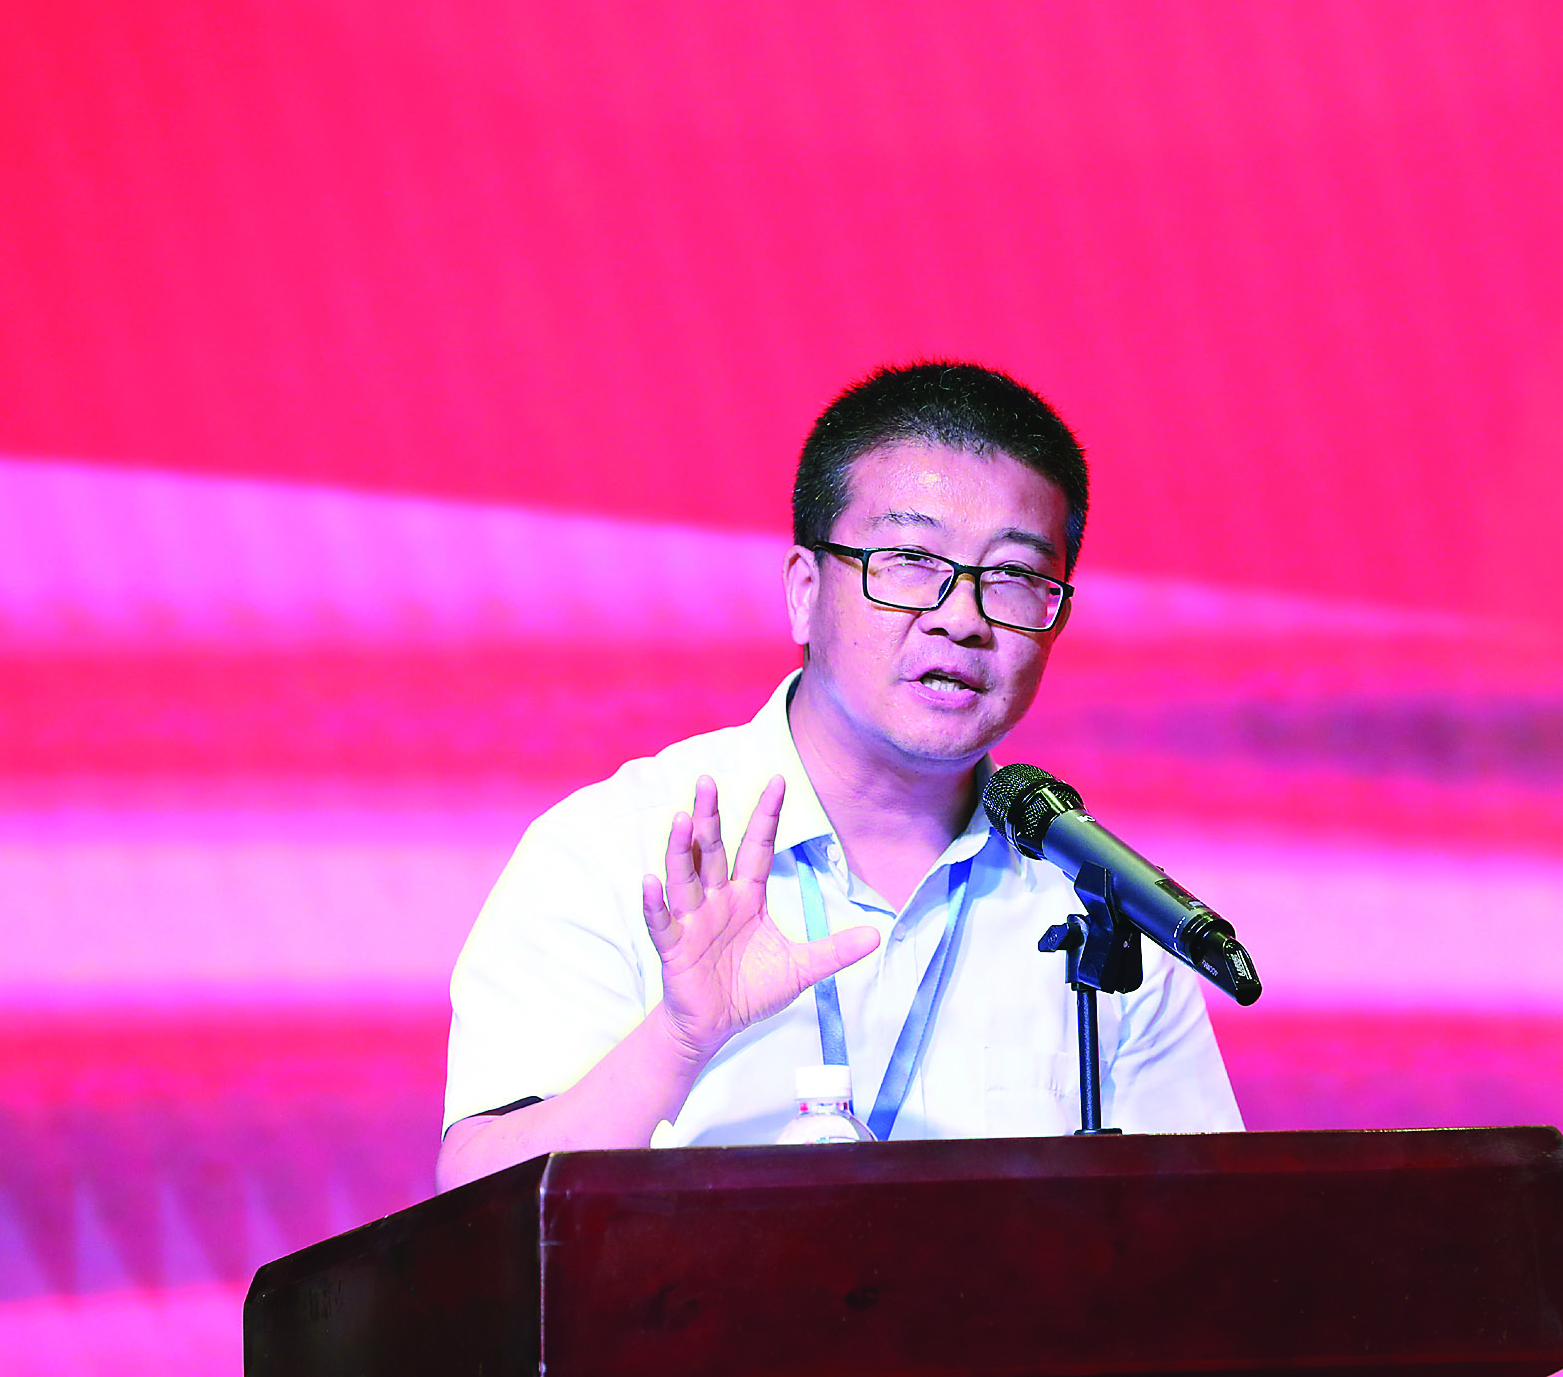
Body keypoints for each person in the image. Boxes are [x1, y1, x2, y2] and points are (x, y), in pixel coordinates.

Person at [437, 362, 1240, 1189]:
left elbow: (1210, 1224)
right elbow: (476, 1197)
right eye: (910, 561)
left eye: (1012, 576)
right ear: (804, 592)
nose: (961, 619)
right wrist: (678, 1039)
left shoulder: (1097, 905)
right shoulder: (622, 848)